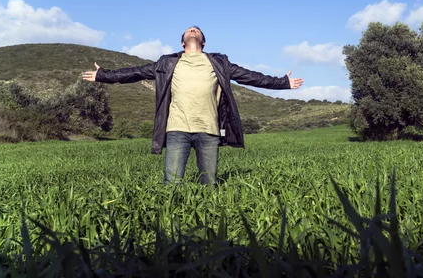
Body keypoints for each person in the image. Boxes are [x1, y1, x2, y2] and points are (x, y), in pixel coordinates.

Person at [81, 26, 304, 185]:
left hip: (209, 130)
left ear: (203, 42)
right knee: (172, 183)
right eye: (189, 30)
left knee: (208, 183)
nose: (192, 30)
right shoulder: (167, 63)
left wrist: (282, 83)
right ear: (182, 42)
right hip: (177, 129)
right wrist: (104, 76)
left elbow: (250, 77)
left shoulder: (219, 63)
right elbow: (136, 72)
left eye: (196, 30)